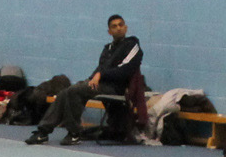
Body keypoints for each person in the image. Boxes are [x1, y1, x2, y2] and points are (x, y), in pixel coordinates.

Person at [25, 15, 141, 145]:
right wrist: (91, 79)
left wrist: (100, 75)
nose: (118, 28)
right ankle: (43, 132)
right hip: (100, 84)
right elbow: (100, 68)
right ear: (109, 31)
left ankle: (74, 133)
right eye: (114, 26)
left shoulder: (132, 45)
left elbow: (125, 70)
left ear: (125, 28)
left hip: (116, 88)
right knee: (66, 92)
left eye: (121, 25)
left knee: (76, 91)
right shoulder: (107, 49)